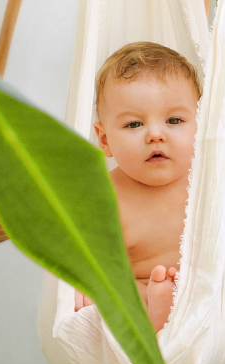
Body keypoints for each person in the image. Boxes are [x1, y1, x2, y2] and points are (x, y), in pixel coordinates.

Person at [74, 42, 202, 332]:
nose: (156, 134)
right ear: (104, 140)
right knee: (115, 294)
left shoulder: (208, 177)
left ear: (200, 126)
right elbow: (80, 255)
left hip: (206, 287)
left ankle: (169, 309)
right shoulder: (103, 197)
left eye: (173, 120)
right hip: (144, 288)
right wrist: (79, 283)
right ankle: (158, 312)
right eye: (134, 125)